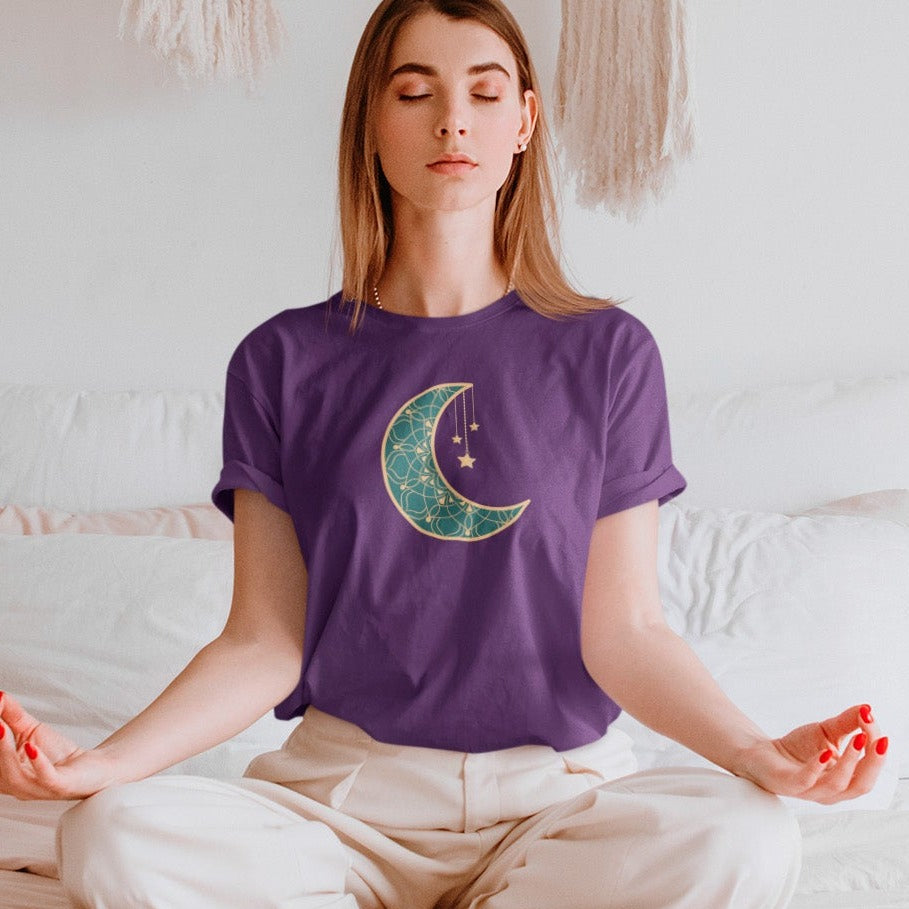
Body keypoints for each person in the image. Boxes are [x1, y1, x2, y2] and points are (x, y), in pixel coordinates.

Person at [0, 1, 889, 907]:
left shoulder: (607, 353)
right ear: (371, 127)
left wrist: (753, 752)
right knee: (111, 834)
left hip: (559, 804)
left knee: (745, 836)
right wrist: (102, 764)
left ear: (524, 124)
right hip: (339, 808)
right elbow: (264, 638)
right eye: (415, 91)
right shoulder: (282, 360)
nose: (452, 120)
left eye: (484, 92)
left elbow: (625, 631)